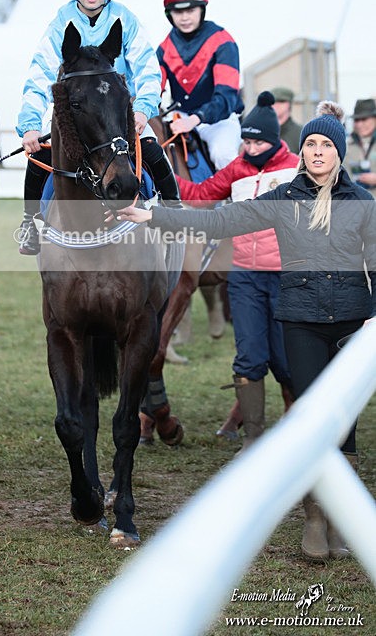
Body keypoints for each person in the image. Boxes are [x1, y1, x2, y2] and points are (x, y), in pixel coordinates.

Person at [116, 101, 375, 561]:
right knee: (319, 421)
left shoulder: (362, 204)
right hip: (302, 324)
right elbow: (217, 220)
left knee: (346, 425)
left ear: (338, 152)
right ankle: (315, 520)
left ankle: (338, 518)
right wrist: (154, 215)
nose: (317, 151)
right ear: (301, 152)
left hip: (351, 327)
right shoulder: (283, 199)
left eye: (325, 145)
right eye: (310, 144)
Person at [16, 0, 181, 255]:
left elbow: (148, 70)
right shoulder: (59, 25)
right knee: (39, 159)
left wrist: (144, 109)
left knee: (152, 151)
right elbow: (38, 77)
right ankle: (28, 223)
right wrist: (30, 126)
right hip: (75, 119)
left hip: (119, 117)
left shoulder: (126, 21)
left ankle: (175, 217)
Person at [175, 91, 299, 448]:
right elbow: (201, 195)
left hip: (287, 276)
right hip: (244, 276)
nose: (248, 147)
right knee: (248, 356)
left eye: (256, 141)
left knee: (285, 359)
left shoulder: (295, 167)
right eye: (245, 140)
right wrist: (162, 173)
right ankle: (253, 438)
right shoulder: (239, 167)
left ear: (272, 141)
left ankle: (298, 431)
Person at [157, 0, 243, 171]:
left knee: (223, 155)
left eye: (191, 10)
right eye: (178, 12)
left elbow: (227, 97)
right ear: (169, 14)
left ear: (202, 9)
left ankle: (243, 201)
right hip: (179, 117)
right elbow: (153, 92)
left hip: (219, 121)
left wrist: (195, 119)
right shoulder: (163, 49)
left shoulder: (223, 42)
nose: (185, 17)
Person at [344, 97, 376, 198]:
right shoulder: (347, 145)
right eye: (356, 120)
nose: (359, 124)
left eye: (364, 119)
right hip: (357, 206)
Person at [271, 87, 303, 153]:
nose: (276, 105)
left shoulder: (300, 134)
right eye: (273, 101)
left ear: (289, 104)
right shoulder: (263, 131)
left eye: (281, 101)